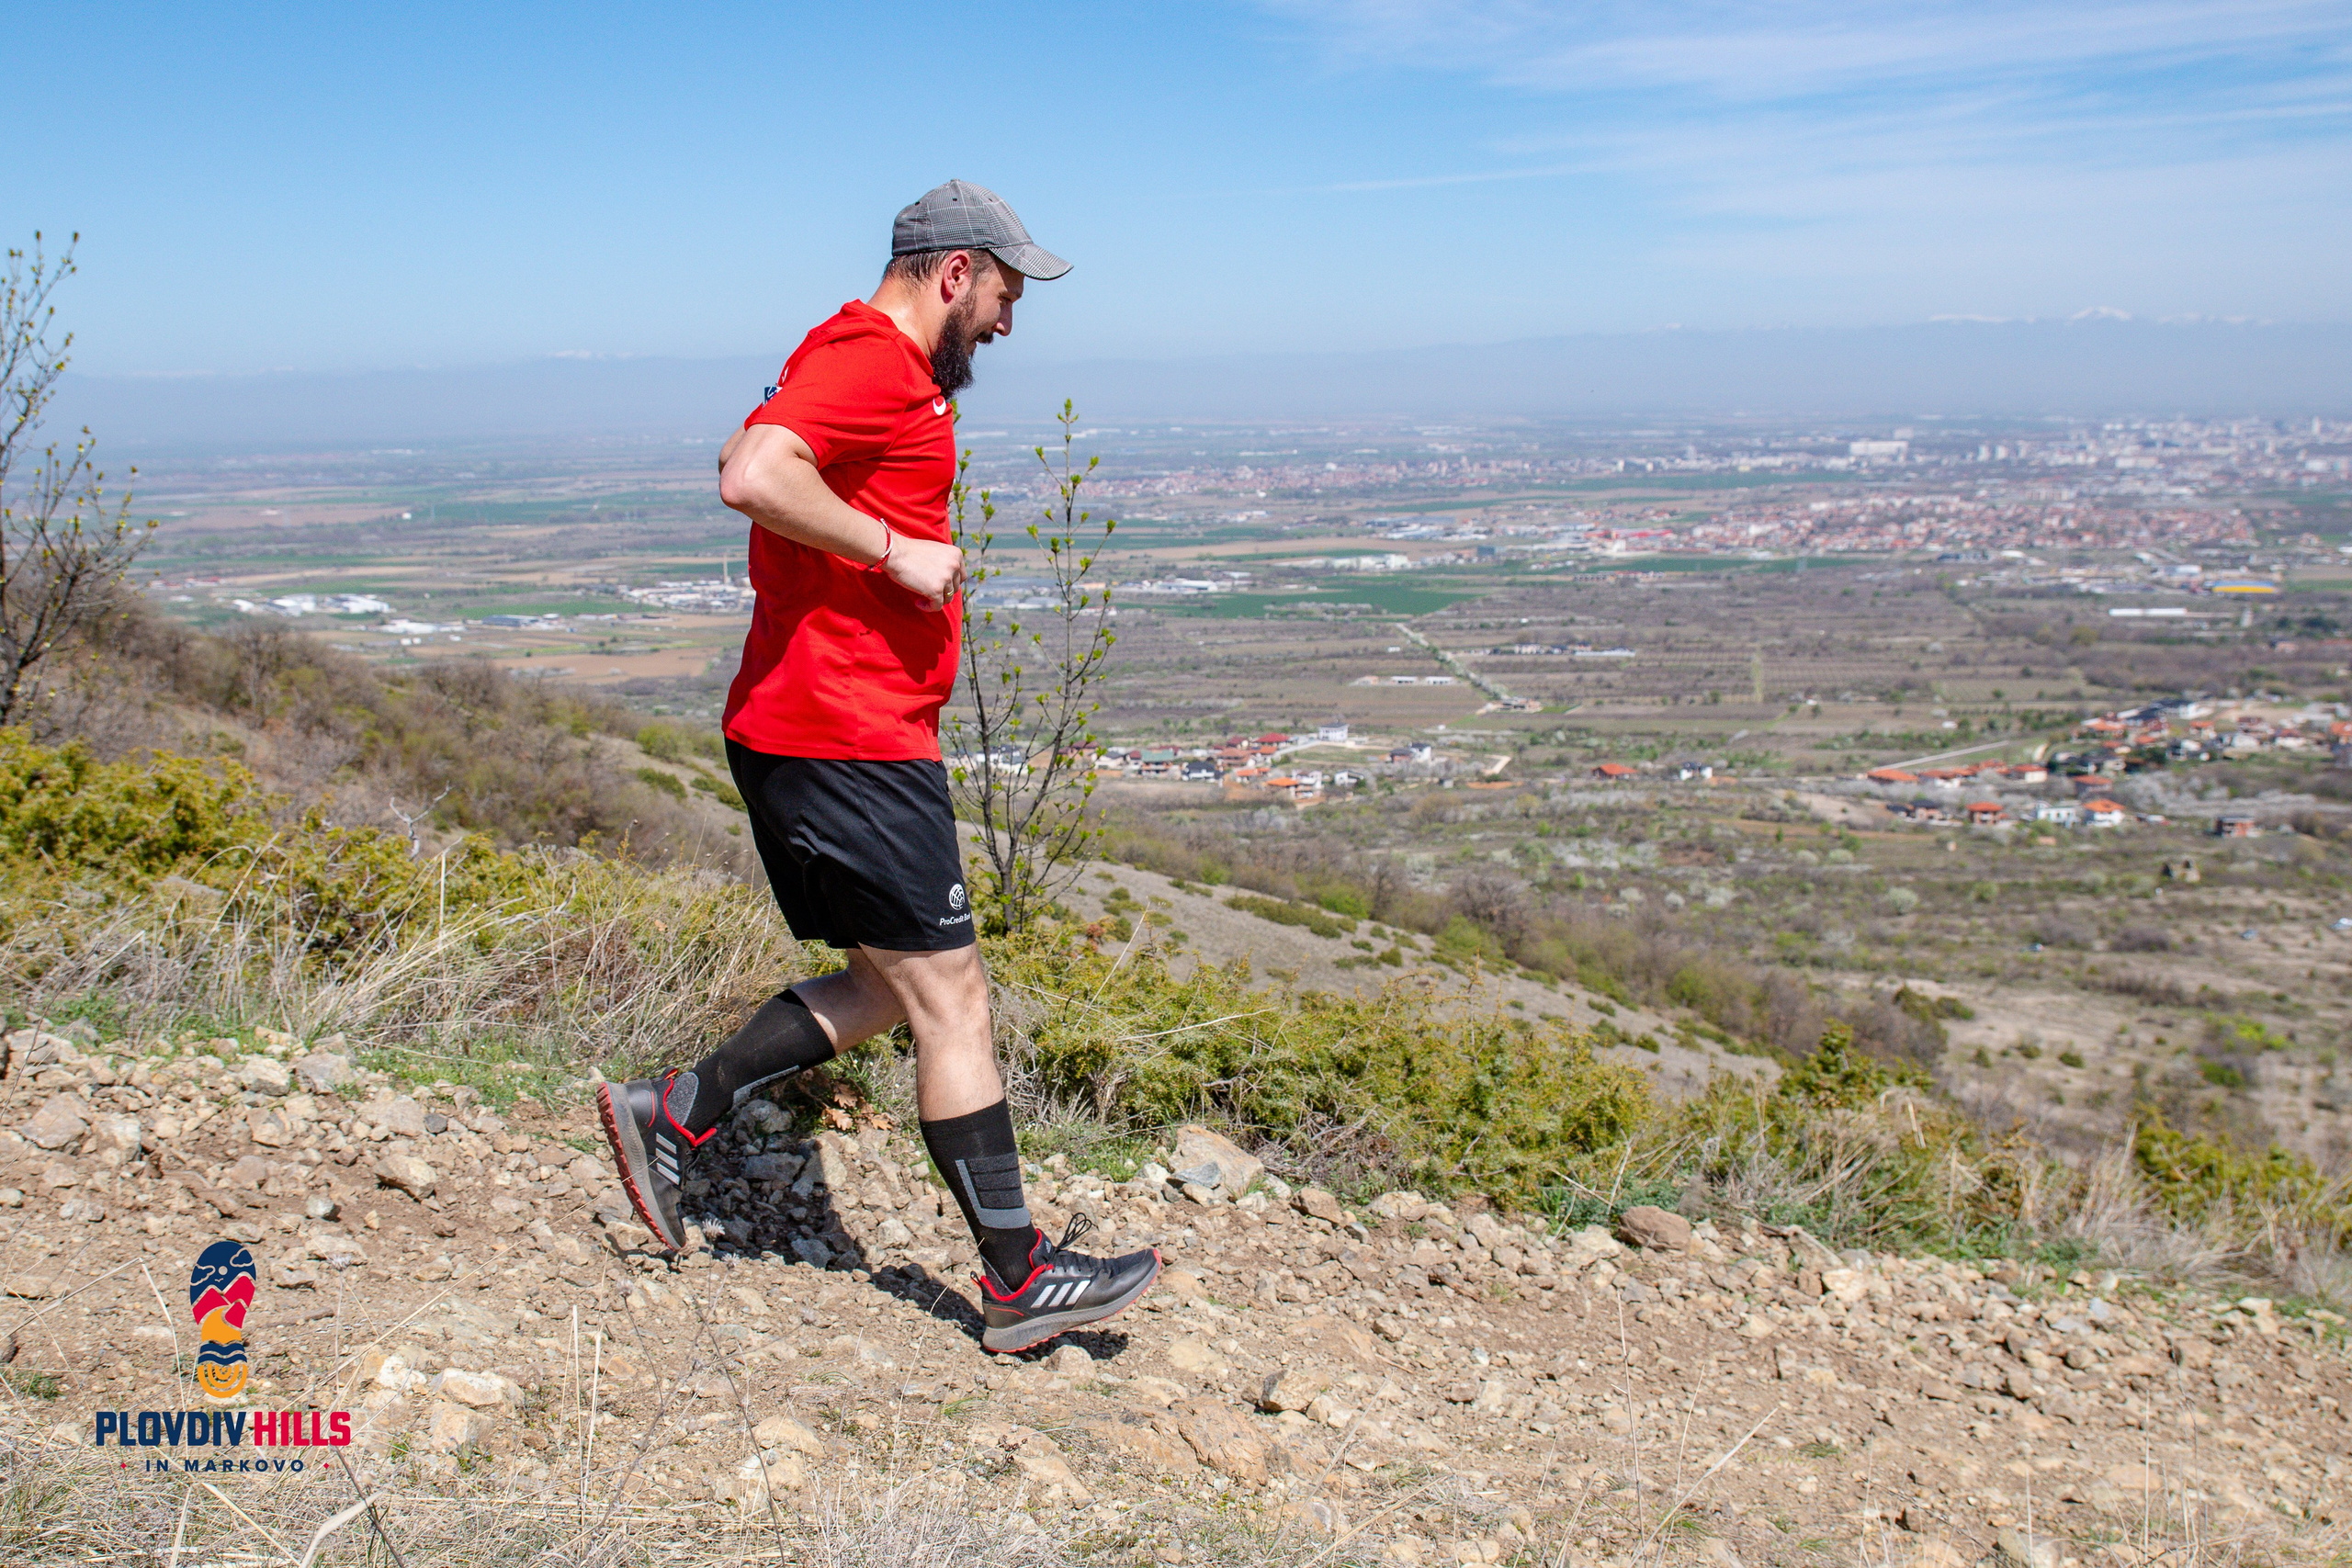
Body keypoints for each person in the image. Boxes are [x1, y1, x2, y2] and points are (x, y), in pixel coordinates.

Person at [597, 180, 1159, 1355]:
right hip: (844, 737)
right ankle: (1017, 1280)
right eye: (1005, 295)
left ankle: (674, 1111)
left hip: (821, 729)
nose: (1008, 323)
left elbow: (758, 445)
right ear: (954, 273)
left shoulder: (843, 353)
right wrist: (896, 549)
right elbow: (750, 471)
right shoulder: (871, 360)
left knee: (883, 985)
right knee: (950, 995)